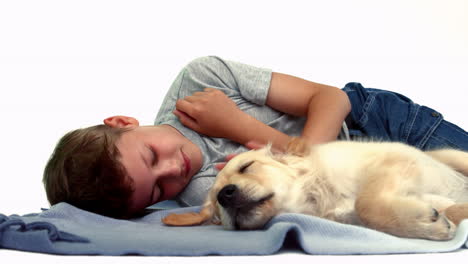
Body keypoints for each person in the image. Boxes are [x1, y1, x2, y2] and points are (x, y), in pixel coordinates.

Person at [43, 56, 468, 219]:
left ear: (122, 122)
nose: (174, 170)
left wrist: (238, 125)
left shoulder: (200, 78)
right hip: (354, 180)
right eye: (157, 188)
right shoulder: (204, 192)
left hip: (374, 120)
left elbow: (331, 99)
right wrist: (242, 129)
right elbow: (307, 190)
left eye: (152, 156)